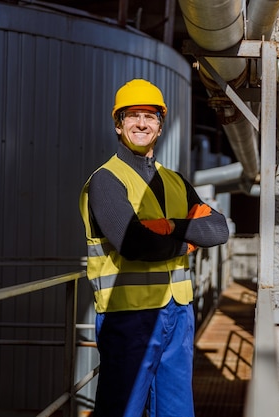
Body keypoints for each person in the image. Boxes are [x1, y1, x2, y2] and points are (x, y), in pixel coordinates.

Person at [79, 78, 230, 417]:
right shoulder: (106, 180)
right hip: (128, 316)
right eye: (132, 116)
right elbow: (134, 243)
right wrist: (191, 240)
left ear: (160, 126)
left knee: (176, 410)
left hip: (178, 314)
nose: (142, 124)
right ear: (118, 125)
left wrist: (170, 228)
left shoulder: (175, 181)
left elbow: (219, 230)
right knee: (123, 409)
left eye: (150, 116)